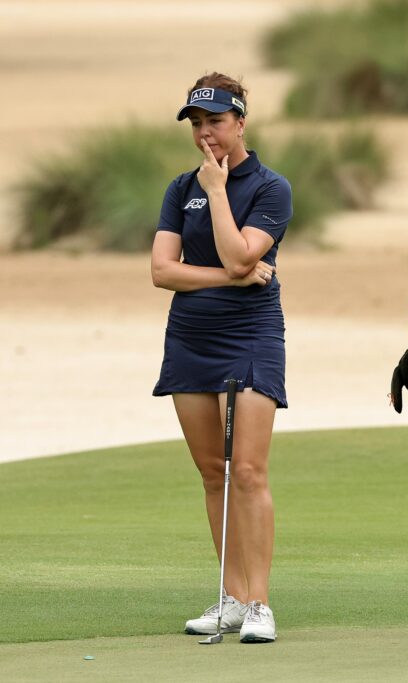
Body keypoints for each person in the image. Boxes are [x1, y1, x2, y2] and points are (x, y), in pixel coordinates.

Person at [151, 72, 292, 644]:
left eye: (215, 121)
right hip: (191, 338)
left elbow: (241, 252)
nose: (205, 132)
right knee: (214, 474)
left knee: (250, 472)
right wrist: (230, 280)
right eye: (197, 123)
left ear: (240, 122)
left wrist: (215, 191)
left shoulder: (270, 187)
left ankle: (259, 602)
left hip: (253, 336)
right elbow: (164, 271)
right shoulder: (177, 186)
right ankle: (230, 597)